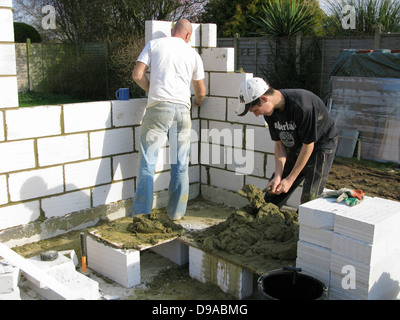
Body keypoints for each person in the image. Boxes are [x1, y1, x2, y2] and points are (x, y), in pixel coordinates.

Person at [132, 19, 206, 220]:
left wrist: (153, 91)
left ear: (172, 31)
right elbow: (201, 92)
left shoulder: (155, 44)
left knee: (148, 161)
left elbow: (138, 75)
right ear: (188, 36)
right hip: (183, 110)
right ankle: (176, 214)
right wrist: (197, 102)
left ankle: (142, 216)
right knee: (180, 163)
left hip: (158, 108)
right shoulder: (193, 54)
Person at [235, 77, 338, 208]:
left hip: (321, 145)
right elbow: (279, 145)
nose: (256, 115)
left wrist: (289, 180)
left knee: (310, 199)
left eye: (255, 110)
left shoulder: (301, 106)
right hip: (298, 144)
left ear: (264, 98)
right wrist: (278, 176)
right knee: (273, 194)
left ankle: (301, 226)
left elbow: (308, 146)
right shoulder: (269, 112)